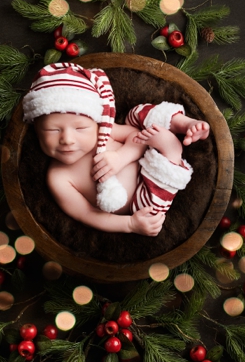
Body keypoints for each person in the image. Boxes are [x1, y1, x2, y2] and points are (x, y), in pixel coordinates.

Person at [23, 62, 209, 236]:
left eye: (80, 128)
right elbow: (87, 214)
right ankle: (172, 152)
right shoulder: (58, 177)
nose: (67, 139)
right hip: (140, 195)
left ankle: (183, 123)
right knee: (152, 208)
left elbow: (136, 136)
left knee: (137, 114)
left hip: (148, 148)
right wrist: (130, 224)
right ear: (37, 131)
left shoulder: (103, 130)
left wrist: (121, 157)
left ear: (96, 121)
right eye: (52, 130)